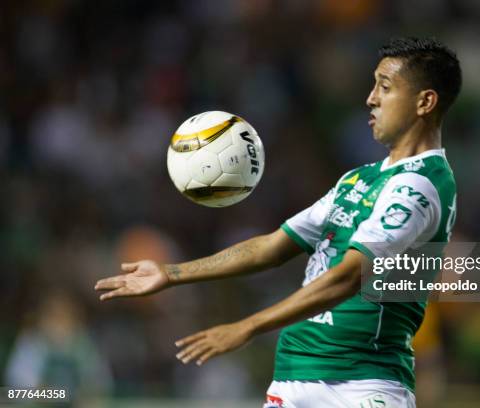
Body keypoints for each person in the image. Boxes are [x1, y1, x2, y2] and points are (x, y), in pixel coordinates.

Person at [95, 37, 461, 408]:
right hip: (295, 379)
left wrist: (248, 326)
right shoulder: (358, 179)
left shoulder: (421, 185)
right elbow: (271, 247)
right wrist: (171, 274)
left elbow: (351, 277)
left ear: (425, 102)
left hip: (361, 386)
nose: (370, 98)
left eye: (385, 86)